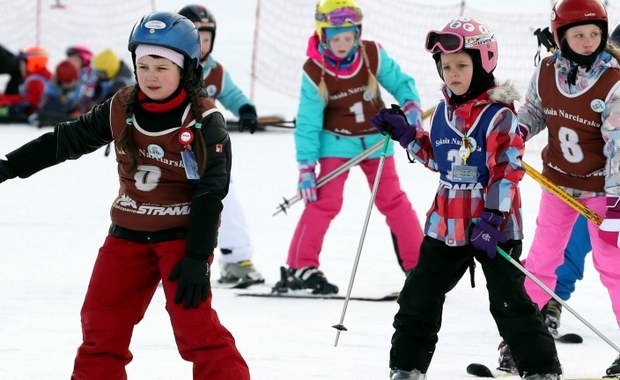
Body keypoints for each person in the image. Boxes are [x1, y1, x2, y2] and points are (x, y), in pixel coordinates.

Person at [0, 11, 250, 379]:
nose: (150, 76)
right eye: (143, 65)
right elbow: (67, 139)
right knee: (100, 326)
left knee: (195, 330)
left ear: (187, 69)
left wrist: (197, 257)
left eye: (162, 67)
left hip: (181, 239)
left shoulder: (203, 121)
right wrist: (10, 165)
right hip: (127, 235)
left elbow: (211, 192)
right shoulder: (122, 106)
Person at [372, 16, 562, 379]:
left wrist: (492, 219)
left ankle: (540, 369)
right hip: (446, 223)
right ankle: (407, 366)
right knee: (418, 296)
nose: (453, 74)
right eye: (446, 67)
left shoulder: (499, 116)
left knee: (510, 303)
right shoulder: (443, 111)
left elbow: (507, 171)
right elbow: (438, 158)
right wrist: (406, 134)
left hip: (494, 226)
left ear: (484, 62)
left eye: (461, 65)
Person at [274, 0, 425, 295]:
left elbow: (402, 82)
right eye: (335, 38)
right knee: (324, 201)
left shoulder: (371, 54)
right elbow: (308, 122)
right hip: (336, 141)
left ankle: (420, 266)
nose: (342, 44)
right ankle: (300, 267)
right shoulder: (315, 69)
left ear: (357, 34)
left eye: (348, 37)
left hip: (375, 139)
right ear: (323, 35)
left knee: (392, 200)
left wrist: (411, 105)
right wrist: (306, 167)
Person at [508, 0, 620, 376]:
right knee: (541, 261)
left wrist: (618, 201)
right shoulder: (547, 70)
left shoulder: (613, 79)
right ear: (561, 38)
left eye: (595, 34)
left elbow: (618, 144)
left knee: (613, 267)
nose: (589, 42)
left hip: (603, 191)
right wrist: (516, 134)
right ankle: (522, 340)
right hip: (557, 184)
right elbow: (535, 111)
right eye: (579, 35)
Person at [177, 4, 264, 288]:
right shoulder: (168, 67)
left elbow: (233, 95)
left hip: (211, 153)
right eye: (194, 37)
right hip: (169, 152)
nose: (201, 45)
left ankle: (236, 259)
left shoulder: (215, 71)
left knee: (226, 202)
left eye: (205, 38)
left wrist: (246, 110)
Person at [0, 46, 51, 121]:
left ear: (33, 64)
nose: (20, 68)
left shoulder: (35, 81)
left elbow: (32, 101)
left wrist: (5, 99)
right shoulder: (40, 76)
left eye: (22, 65)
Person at [79, 48, 134, 114]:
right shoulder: (104, 81)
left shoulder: (121, 84)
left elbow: (109, 109)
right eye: (97, 72)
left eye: (100, 73)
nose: (98, 75)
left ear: (110, 70)